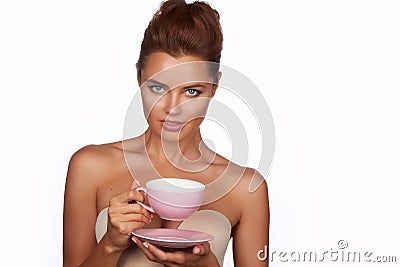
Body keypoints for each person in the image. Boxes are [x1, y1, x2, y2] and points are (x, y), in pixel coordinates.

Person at [63, 0, 269, 266]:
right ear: (139, 76)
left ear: (215, 86)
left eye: (192, 91)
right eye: (158, 88)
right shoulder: (90, 167)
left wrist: (204, 264)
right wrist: (111, 245)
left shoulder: (246, 188)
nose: (173, 109)